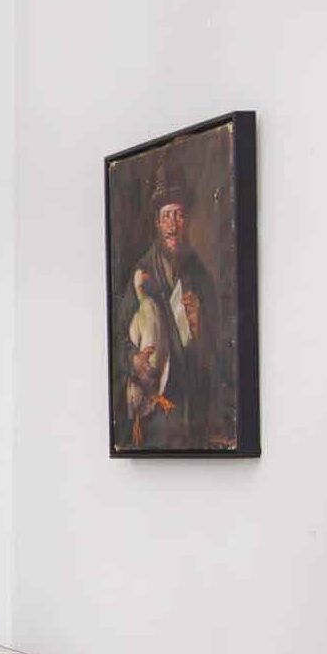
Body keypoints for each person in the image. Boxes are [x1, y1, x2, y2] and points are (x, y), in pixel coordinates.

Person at [113, 168, 218, 448]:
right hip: (152, 418)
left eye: (179, 215)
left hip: (189, 413)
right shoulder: (142, 271)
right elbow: (118, 339)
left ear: (187, 221)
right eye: (167, 216)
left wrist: (199, 326)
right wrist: (134, 360)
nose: (173, 225)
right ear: (158, 223)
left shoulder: (200, 276)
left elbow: (219, 351)